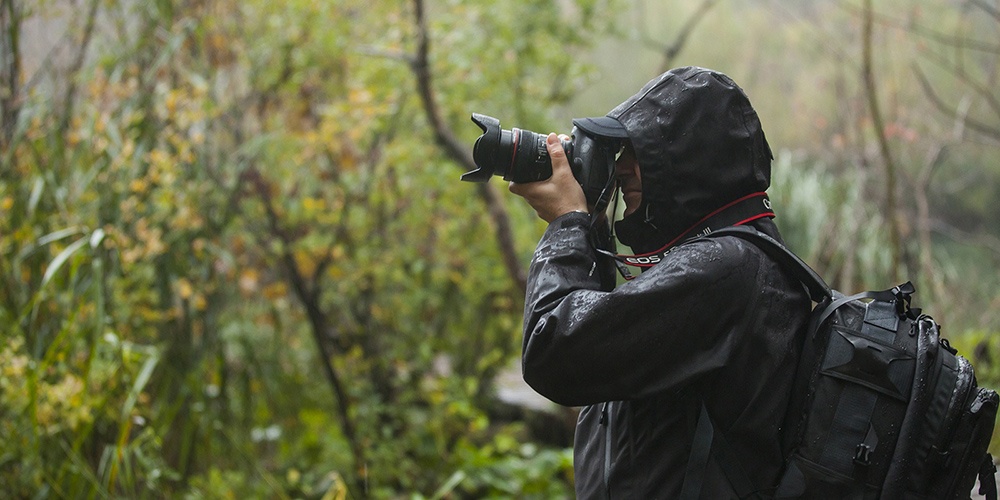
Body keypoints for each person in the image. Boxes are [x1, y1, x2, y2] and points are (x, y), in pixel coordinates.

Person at [508, 66, 812, 498]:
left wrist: (567, 224)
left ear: (692, 162)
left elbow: (555, 351)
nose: (624, 169)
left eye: (641, 153)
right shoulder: (740, 261)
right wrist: (592, 222)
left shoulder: (724, 269)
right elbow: (604, 348)